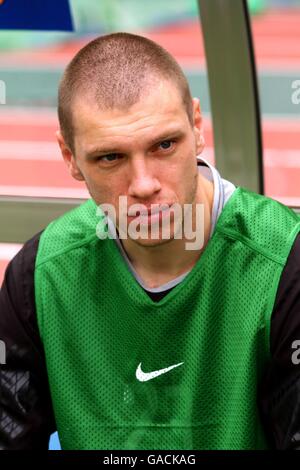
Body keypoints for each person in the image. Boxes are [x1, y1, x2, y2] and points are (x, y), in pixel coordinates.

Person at [0, 32, 300, 451]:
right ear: (69, 156)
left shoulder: (285, 261)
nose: (143, 185)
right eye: (111, 157)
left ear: (197, 127)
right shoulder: (38, 275)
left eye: (164, 145)